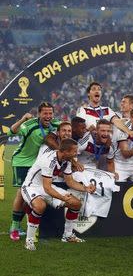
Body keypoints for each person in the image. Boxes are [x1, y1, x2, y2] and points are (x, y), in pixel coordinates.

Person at [21, 138, 96, 250]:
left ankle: (68, 236)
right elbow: (47, 188)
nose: (76, 154)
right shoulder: (49, 161)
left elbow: (69, 181)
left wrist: (86, 188)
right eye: (74, 151)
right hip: (31, 186)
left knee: (76, 204)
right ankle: (29, 240)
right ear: (65, 151)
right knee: (40, 206)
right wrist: (62, 198)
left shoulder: (67, 161)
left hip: (48, 186)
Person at [8, 102, 60, 241]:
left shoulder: (55, 124)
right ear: (39, 114)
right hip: (23, 162)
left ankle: (32, 226)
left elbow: (68, 127)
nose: (48, 116)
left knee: (35, 194)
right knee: (22, 192)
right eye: (45, 113)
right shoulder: (30, 124)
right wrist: (23, 119)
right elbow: (12, 131)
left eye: (50, 113)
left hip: (38, 164)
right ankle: (14, 226)